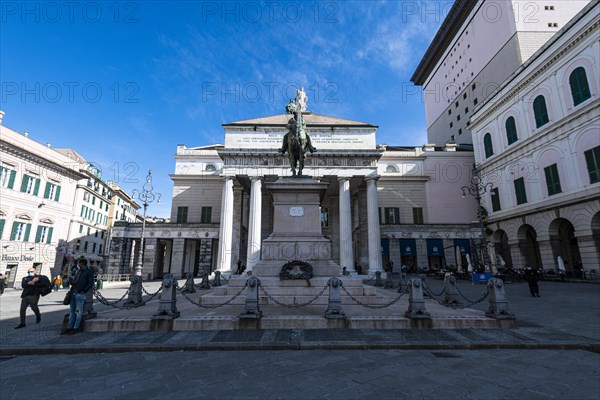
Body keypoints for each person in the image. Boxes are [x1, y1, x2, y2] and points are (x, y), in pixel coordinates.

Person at [62, 259, 95, 335]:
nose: (78, 266)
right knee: (72, 311)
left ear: (83, 264)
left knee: (79, 311)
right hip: (74, 292)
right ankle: (69, 327)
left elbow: (90, 283)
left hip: (80, 293)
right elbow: (75, 281)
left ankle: (76, 327)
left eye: (80, 264)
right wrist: (71, 281)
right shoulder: (78, 271)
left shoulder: (89, 272)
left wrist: (83, 290)